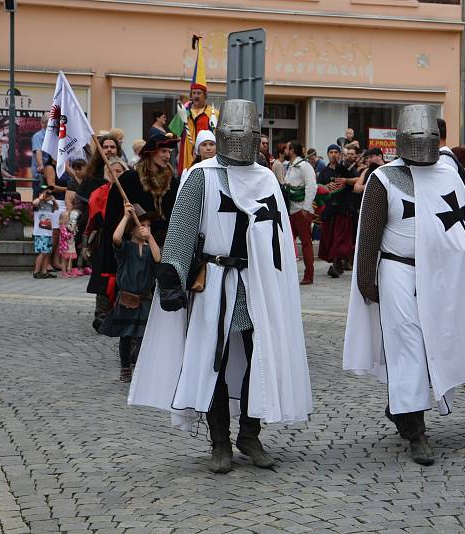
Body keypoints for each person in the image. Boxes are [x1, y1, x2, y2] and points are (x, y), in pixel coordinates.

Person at [129, 99, 312, 473]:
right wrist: (172, 276)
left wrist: (282, 283)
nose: (242, 142)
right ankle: (219, 442)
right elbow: (181, 233)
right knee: (216, 359)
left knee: (259, 357)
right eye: (236, 134)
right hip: (214, 282)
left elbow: (278, 238)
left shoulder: (265, 178)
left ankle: (249, 432)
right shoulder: (202, 175)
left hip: (258, 282)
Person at [343, 104, 465, 466]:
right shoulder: (384, 179)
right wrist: (366, 279)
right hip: (399, 273)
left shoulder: (449, 175)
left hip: (441, 276)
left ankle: (402, 406)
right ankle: (416, 430)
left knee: (434, 344)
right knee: (409, 345)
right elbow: (369, 235)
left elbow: (463, 226)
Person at [89, 133, 179, 331]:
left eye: (169, 152)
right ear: (150, 152)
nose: (167, 155)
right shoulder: (130, 179)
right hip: (133, 241)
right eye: (163, 151)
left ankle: (155, 319)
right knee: (130, 282)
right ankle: (117, 319)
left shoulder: (172, 181)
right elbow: (113, 215)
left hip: (159, 241)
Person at [100, 203, 160, 382]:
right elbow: (116, 237)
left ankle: (140, 366)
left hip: (144, 298)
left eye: (149, 226)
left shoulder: (150, 250)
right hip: (127, 298)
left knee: (143, 336)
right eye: (142, 225)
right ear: (132, 229)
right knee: (126, 336)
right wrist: (126, 216)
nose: (146, 228)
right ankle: (125, 366)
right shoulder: (125, 248)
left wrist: (150, 238)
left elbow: (159, 258)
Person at [169, 36, 218, 175]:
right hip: (187, 157)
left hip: (207, 158)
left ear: (205, 95)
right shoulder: (184, 111)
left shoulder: (214, 113)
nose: (195, 96)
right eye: (193, 93)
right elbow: (174, 133)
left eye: (199, 93)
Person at [318, 143, 358, 278]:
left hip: (343, 208)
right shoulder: (324, 172)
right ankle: (338, 264)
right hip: (330, 210)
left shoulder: (345, 168)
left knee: (340, 238)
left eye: (336, 152)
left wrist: (346, 180)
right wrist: (326, 186)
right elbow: (318, 188)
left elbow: (358, 180)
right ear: (328, 154)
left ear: (339, 154)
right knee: (330, 238)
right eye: (331, 152)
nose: (333, 154)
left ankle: (336, 264)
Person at [284, 140, 317, 285]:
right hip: (291, 210)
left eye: (286, 148)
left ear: (292, 150)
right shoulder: (291, 166)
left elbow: (312, 186)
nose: (285, 150)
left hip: (301, 210)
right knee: (286, 242)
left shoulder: (304, 166)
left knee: (305, 244)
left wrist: (306, 207)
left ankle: (309, 275)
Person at [32, 186, 58, 278]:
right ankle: (36, 271)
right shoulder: (38, 204)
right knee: (42, 252)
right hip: (40, 233)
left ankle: (44, 271)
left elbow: (56, 208)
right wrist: (41, 197)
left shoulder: (49, 205)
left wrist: (53, 200)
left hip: (48, 233)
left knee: (47, 252)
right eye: (47, 193)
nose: (49, 194)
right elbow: (34, 203)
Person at [57, 210, 80, 276]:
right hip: (65, 246)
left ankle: (69, 270)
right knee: (64, 259)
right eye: (68, 217)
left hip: (71, 245)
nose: (70, 219)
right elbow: (65, 236)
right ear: (63, 219)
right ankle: (64, 272)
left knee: (71, 258)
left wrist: (75, 230)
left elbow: (75, 232)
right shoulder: (62, 227)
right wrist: (71, 233)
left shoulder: (70, 226)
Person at [31, 113, 49, 193]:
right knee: (39, 198)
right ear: (44, 123)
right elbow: (38, 151)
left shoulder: (53, 136)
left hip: (50, 174)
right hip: (40, 175)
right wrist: (41, 165)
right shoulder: (38, 136)